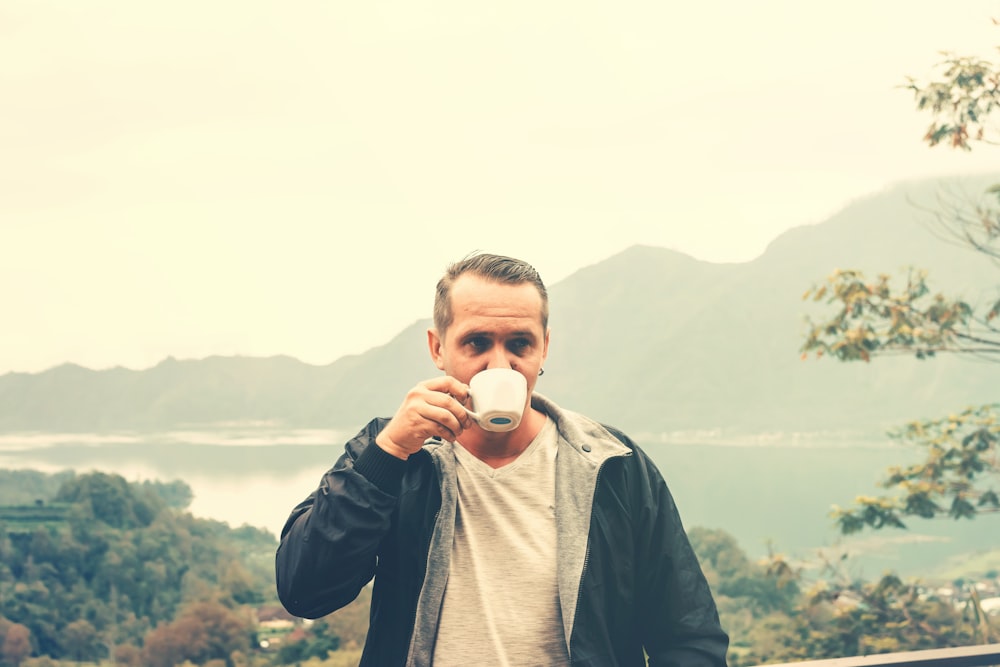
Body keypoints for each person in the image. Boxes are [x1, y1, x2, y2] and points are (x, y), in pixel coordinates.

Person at [275, 253, 729, 666]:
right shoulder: (393, 454)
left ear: (543, 348)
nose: (500, 365)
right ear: (438, 348)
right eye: (476, 343)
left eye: (519, 344)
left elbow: (690, 638)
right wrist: (389, 453)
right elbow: (305, 591)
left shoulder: (614, 466)